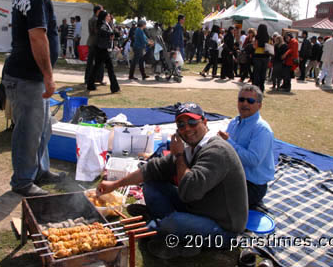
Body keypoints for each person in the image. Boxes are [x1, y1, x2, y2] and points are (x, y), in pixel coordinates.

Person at [97, 102, 248, 258]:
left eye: (192, 122)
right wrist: (115, 184)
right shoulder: (192, 148)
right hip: (198, 208)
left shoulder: (217, 151)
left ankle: (169, 234)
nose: (187, 129)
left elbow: (190, 191)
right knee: (151, 183)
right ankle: (168, 231)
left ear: (204, 122)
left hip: (223, 227)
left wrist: (179, 156)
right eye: (181, 125)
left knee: (174, 222)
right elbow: (153, 168)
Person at [2, 0, 70, 197]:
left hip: (30, 75)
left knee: (43, 127)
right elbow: (37, 36)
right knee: (28, 131)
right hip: (27, 76)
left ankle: (39, 170)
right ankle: (22, 182)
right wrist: (49, 76)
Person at [218, 85, 274, 209]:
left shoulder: (262, 129)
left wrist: (229, 142)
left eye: (250, 101)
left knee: (214, 201)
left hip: (252, 185)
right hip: (232, 176)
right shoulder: (234, 122)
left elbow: (253, 160)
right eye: (241, 99)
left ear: (259, 105)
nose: (244, 104)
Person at [86, 11, 120, 93]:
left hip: (101, 48)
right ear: (105, 17)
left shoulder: (106, 24)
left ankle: (90, 85)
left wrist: (112, 35)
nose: (110, 17)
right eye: (108, 16)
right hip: (102, 49)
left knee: (97, 67)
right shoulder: (103, 25)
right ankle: (114, 87)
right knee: (110, 68)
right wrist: (112, 34)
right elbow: (103, 32)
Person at [84, 5, 104, 84]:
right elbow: (96, 31)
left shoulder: (92, 19)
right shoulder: (96, 20)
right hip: (96, 43)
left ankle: (89, 78)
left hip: (92, 42)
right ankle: (97, 79)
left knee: (91, 62)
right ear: (98, 11)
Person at [252, 24, 270, 92]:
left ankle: (256, 87)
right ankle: (262, 87)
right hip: (266, 57)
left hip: (257, 56)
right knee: (263, 73)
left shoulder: (257, 37)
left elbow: (254, 47)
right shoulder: (269, 37)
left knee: (257, 73)